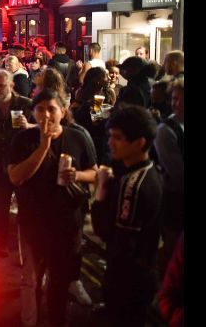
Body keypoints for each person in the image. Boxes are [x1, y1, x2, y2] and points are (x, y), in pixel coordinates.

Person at [8, 89, 97, 327]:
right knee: (32, 280)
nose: (46, 114)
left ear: (63, 111)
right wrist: (43, 147)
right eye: (40, 109)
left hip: (67, 224)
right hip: (32, 223)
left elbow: (95, 174)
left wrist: (77, 174)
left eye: (52, 109)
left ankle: (57, 320)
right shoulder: (23, 139)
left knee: (59, 281)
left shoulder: (79, 137)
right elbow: (15, 177)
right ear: (33, 112)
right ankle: (31, 321)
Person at [91, 105, 162, 327]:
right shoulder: (149, 170)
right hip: (142, 273)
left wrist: (101, 190)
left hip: (128, 280)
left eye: (118, 138)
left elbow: (109, 234)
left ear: (140, 142)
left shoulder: (134, 184)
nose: (111, 142)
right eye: (110, 136)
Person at [0, 69, 34, 257]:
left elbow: (41, 130)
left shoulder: (26, 105)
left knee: (26, 208)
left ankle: (26, 244)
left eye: (1, 85)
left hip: (20, 164)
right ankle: (1, 242)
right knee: (0, 207)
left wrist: (30, 126)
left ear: (11, 85)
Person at [153, 78, 183, 269]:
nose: (176, 103)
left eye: (182, 99)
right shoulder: (165, 130)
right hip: (175, 197)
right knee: (172, 247)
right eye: (174, 98)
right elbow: (178, 173)